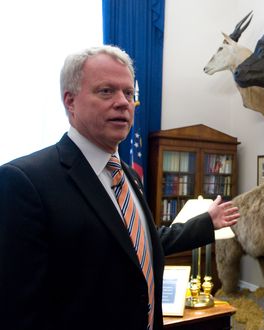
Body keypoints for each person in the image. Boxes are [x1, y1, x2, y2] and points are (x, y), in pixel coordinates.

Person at [0, 45, 240, 330]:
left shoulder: (129, 177)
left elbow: (138, 246)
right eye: (106, 91)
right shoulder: (23, 181)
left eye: (128, 93)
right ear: (70, 101)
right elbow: (18, 311)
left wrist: (207, 223)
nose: (123, 102)